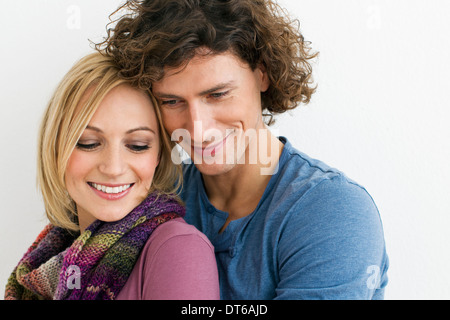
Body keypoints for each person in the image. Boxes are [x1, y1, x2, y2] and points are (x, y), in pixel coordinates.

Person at [99, 0, 389, 299]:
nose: (197, 129)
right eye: (172, 101)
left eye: (217, 94)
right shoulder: (156, 194)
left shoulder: (332, 210)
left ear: (262, 73)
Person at [4, 52, 219, 300]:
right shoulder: (49, 258)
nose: (114, 168)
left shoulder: (179, 249)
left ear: (159, 155)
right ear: (56, 149)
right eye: (89, 143)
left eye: (137, 145)